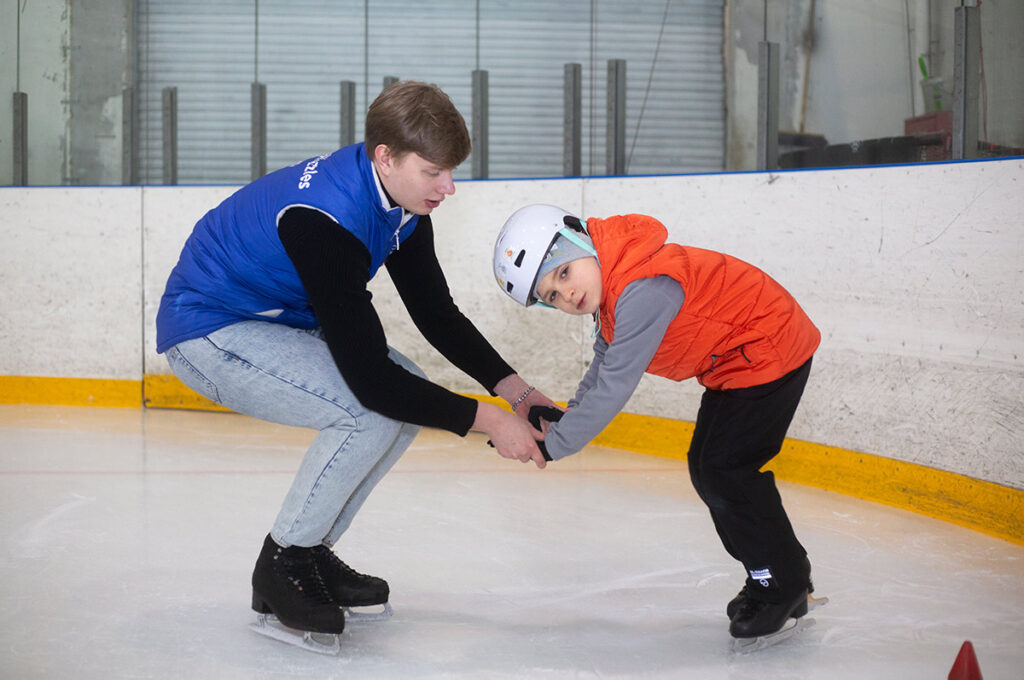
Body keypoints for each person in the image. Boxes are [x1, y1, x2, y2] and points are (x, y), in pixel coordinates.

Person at [155, 82, 555, 643]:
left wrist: (517, 393)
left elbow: (435, 313)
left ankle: (310, 553)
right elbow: (370, 382)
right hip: (209, 333)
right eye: (434, 172)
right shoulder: (323, 217)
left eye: (452, 171)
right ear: (384, 157)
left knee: (406, 393)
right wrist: (488, 421)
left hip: (272, 321)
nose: (449, 188)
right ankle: (283, 566)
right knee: (370, 409)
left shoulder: (403, 202)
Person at [492, 204, 822, 643]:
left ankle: (782, 583)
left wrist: (557, 443)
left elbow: (614, 386)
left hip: (768, 349)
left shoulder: (642, 287)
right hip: (738, 361)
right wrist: (566, 416)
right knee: (709, 468)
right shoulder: (613, 285)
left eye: (565, 272)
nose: (566, 295)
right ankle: (773, 575)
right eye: (551, 295)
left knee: (726, 471)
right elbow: (604, 361)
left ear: (581, 239)